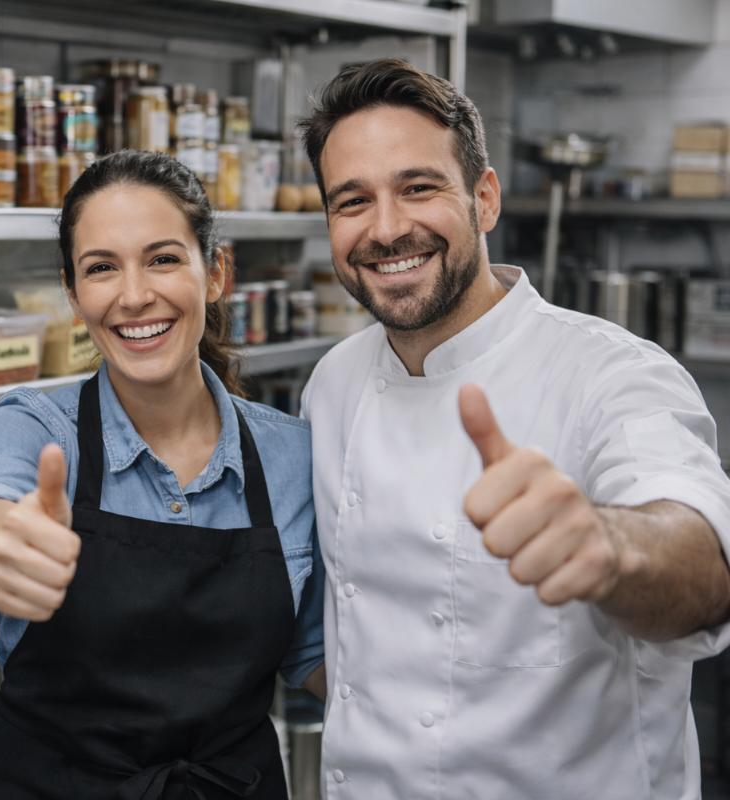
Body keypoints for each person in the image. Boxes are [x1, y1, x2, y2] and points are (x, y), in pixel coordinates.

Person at [298, 57, 730, 799]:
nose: (388, 228)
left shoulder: (610, 375)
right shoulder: (333, 383)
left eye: (419, 188)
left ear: (485, 199)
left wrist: (608, 547)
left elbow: (703, 563)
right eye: (352, 201)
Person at [0, 150, 325, 799]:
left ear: (216, 272)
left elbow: (318, 658)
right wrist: (5, 545)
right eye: (101, 268)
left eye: (163, 258)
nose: (134, 295)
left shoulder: (292, 458)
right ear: (72, 292)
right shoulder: (34, 430)